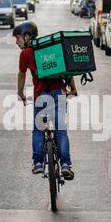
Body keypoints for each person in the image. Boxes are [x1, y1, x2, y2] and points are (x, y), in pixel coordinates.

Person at [13, 21, 76, 179]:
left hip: (41, 95)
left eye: (18, 38)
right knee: (61, 129)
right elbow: (66, 71)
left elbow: (22, 75)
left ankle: (39, 163)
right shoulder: (50, 49)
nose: (16, 42)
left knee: (38, 130)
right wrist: (74, 89)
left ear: (27, 36)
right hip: (59, 93)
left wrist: (20, 93)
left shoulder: (26, 53)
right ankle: (66, 165)